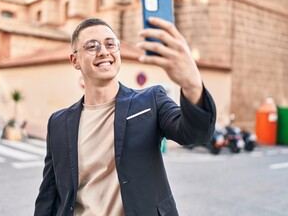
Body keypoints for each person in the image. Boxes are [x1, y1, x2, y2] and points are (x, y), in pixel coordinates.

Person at [34, 17, 216, 216]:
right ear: (74, 60)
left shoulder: (151, 101)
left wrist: (192, 86)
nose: (104, 51)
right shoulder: (58, 123)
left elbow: (196, 134)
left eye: (110, 44)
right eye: (92, 46)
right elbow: (49, 195)